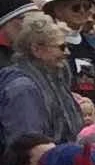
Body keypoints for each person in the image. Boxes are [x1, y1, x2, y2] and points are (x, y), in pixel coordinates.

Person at [0, 15, 78, 152]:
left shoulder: (55, 79)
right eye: (61, 47)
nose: (67, 52)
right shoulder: (23, 88)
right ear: (37, 50)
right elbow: (27, 147)